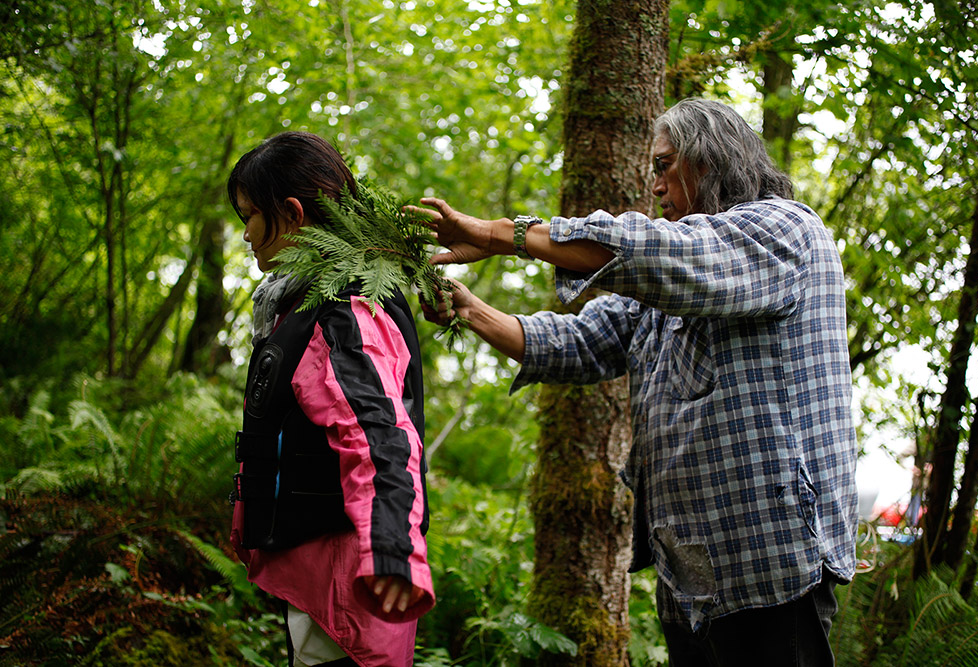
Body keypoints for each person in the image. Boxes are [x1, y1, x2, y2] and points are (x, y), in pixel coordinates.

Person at [416, 98, 858, 667]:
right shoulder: (666, 287)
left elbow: (663, 252)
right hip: (693, 581)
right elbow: (578, 343)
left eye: (663, 166)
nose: (653, 185)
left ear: (710, 159)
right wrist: (470, 310)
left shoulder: (784, 231)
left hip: (771, 564)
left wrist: (504, 234)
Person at [227, 131, 434, 667]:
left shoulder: (343, 310)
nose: (246, 233)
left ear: (292, 215)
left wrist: (392, 550)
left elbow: (380, 435)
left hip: (350, 581)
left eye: (250, 215)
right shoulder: (304, 305)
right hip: (325, 577)